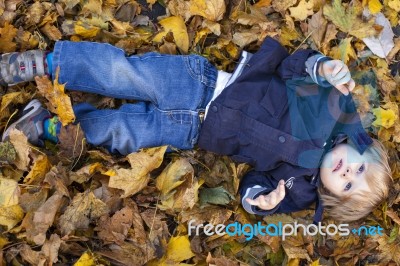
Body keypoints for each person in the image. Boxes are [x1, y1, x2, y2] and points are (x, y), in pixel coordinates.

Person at [0, 37, 392, 223]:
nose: (346, 173)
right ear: (362, 146)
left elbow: (253, 183)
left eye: (347, 185)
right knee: (127, 73)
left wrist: (261, 201)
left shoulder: (299, 190)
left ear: (331, 196)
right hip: (204, 85)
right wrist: (322, 68)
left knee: (123, 133)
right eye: (359, 168)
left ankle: (49, 125)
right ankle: (50, 64)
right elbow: (292, 68)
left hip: (191, 131)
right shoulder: (334, 108)